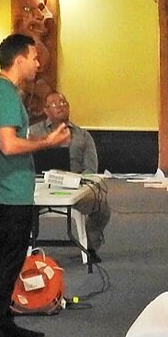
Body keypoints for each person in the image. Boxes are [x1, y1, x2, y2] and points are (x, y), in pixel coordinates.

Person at [0, 34, 71, 337]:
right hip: (9, 192)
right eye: (33, 57)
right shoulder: (3, 95)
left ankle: (2, 320)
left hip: (5, 190)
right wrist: (48, 143)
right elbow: (9, 144)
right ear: (18, 60)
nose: (38, 63)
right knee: (7, 261)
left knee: (7, 260)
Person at [26, 91, 112, 260]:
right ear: (45, 110)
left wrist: (80, 183)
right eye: (55, 104)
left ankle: (90, 246)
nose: (61, 106)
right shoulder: (33, 133)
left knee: (101, 206)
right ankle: (29, 244)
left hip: (75, 188)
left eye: (64, 103)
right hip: (39, 187)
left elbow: (90, 168)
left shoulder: (83, 135)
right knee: (20, 205)